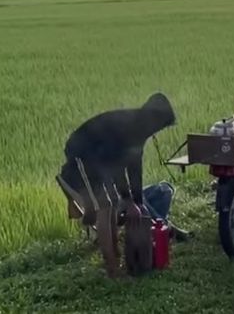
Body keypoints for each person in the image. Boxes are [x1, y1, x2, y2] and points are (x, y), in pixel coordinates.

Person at [56, 92, 177, 277]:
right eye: (161, 125)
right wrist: (129, 203)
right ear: (155, 118)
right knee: (105, 206)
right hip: (84, 153)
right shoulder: (131, 127)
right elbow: (119, 167)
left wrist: (138, 202)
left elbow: (134, 168)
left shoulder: (140, 128)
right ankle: (112, 269)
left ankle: (112, 249)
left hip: (101, 158)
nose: (158, 131)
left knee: (112, 201)